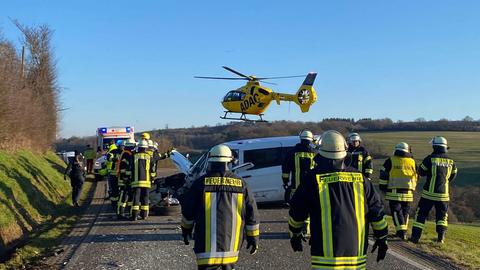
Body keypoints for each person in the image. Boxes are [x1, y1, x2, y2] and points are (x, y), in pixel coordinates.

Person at [289, 130, 388, 269]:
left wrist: (295, 233)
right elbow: (377, 212)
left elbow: (297, 212)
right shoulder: (361, 178)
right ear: (344, 151)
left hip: (324, 258)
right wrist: (382, 238)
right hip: (356, 256)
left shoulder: (312, 178)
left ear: (320, 151)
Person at [181, 144, 260, 270]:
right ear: (229, 161)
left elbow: (188, 212)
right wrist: (253, 237)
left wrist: (186, 231)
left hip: (205, 247)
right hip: (231, 247)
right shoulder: (241, 184)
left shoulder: (200, 183)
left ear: (210, 161)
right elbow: (252, 214)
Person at [410, 136, 457, 244]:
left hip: (428, 194)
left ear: (435, 146)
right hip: (443, 195)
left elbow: (421, 171)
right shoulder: (451, 161)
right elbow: (453, 175)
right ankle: (441, 238)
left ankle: (415, 238)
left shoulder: (430, 158)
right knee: (442, 216)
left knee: (421, 214)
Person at [379, 142, 418, 240]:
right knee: (405, 212)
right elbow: (417, 175)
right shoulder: (412, 161)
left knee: (396, 211)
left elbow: (383, 174)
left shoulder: (391, 160)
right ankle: (402, 231)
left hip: (394, 191)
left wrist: (383, 187)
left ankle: (401, 232)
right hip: (409, 191)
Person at [281, 130, 316, 202]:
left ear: (300, 139)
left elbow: (285, 169)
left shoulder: (292, 152)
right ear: (310, 140)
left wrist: (285, 182)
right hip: (312, 187)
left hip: (296, 188)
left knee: (298, 209)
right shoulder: (315, 153)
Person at [130, 139, 152, 220]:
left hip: (136, 181)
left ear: (138, 147)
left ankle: (134, 216)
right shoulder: (149, 156)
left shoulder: (134, 156)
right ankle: (144, 215)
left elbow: (131, 167)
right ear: (146, 148)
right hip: (146, 181)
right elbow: (152, 169)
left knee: (136, 197)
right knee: (145, 198)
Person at [117, 139, 136, 219]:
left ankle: (128, 212)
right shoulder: (127, 154)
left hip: (125, 179)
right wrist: (127, 177)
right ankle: (120, 213)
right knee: (124, 196)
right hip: (125, 180)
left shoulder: (125, 153)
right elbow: (125, 168)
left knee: (129, 196)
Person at [107, 140, 123, 209]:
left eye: (123, 146)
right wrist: (114, 159)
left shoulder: (125, 153)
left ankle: (120, 204)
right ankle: (114, 204)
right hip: (114, 174)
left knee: (122, 190)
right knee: (114, 190)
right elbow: (108, 157)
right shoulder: (113, 151)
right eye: (121, 146)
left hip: (122, 174)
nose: (122, 147)